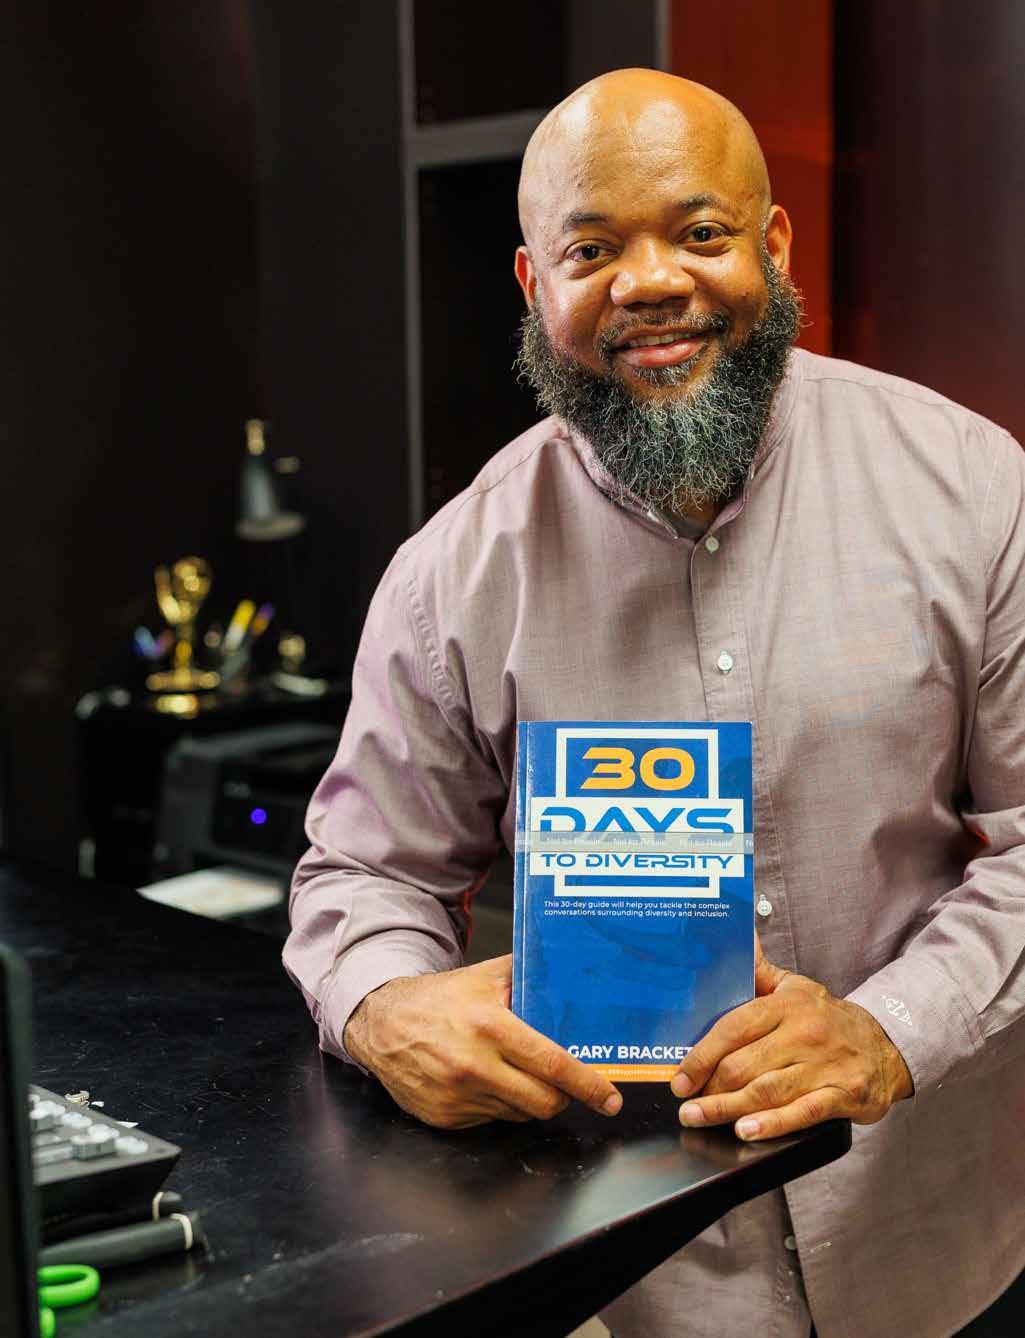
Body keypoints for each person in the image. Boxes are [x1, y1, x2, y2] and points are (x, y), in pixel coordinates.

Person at [284, 69, 1025, 1338]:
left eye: (698, 232)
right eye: (590, 250)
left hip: (937, 1242)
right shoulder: (452, 573)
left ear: (771, 245)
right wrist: (381, 1005)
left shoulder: (970, 489)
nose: (648, 283)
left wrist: (890, 1031)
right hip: (626, 1281)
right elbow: (364, 874)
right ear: (535, 285)